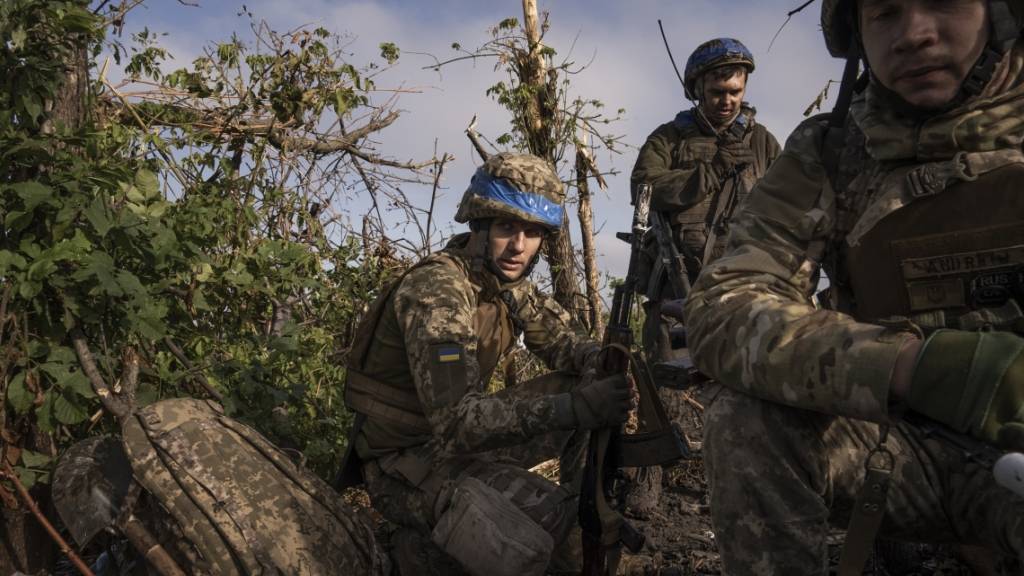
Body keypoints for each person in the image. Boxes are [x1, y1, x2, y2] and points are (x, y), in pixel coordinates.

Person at [683, 0, 1024, 573]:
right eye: (885, 13)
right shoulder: (832, 148)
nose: (914, 33)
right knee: (746, 418)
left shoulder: (762, 139)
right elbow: (723, 305)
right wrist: (913, 366)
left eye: (943, 2)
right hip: (901, 445)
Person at [341, 153, 633, 576]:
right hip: (403, 465)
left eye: (532, 232)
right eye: (506, 227)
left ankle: (573, 501)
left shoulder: (503, 282)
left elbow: (565, 343)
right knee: (537, 542)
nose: (519, 246)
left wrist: (600, 359)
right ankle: (416, 553)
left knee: (571, 525)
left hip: (457, 446)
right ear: (479, 226)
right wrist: (578, 407)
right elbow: (459, 422)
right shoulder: (438, 291)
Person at [631, 38, 780, 363]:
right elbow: (642, 188)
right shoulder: (668, 139)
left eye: (735, 92)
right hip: (677, 291)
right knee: (674, 395)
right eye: (717, 92)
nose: (727, 101)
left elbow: (790, 209)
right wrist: (710, 172)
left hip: (748, 292)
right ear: (697, 89)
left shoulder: (764, 143)